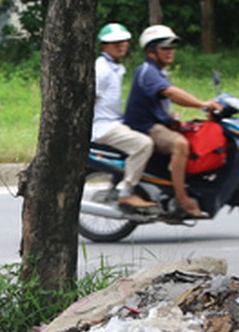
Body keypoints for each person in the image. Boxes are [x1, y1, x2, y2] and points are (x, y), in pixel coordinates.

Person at [123, 25, 222, 218]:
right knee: (180, 144)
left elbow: (162, 102)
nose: (170, 52)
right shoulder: (147, 71)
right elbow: (171, 93)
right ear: (151, 51)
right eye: (165, 48)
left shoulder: (159, 72)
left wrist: (172, 117)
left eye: (172, 48)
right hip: (145, 128)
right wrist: (201, 104)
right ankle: (181, 198)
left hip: (157, 124)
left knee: (194, 134)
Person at [92, 23, 156, 211]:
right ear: (103, 45)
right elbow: (90, 100)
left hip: (114, 122)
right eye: (114, 42)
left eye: (124, 41)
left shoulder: (114, 67)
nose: (121, 45)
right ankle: (127, 193)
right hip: (103, 126)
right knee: (143, 144)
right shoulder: (102, 69)